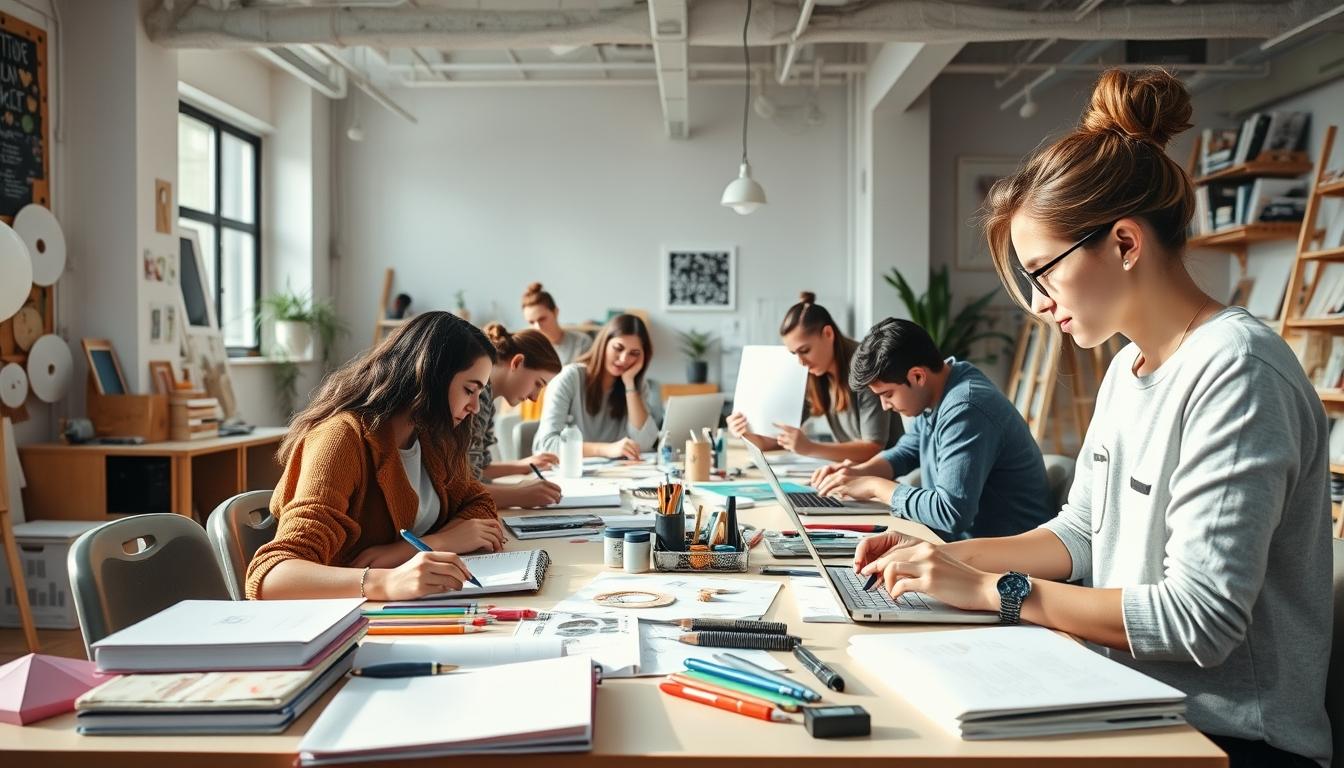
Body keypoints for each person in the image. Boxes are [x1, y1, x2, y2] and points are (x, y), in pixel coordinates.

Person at [853, 69, 1331, 767]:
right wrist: (941, 559)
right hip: (1128, 699)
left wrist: (994, 590)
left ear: (1125, 244)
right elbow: (1081, 535)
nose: (1040, 302)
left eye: (1043, 271)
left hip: (1227, 740)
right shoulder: (1126, 367)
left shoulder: (1237, 370)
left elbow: (1199, 622)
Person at [246, 312, 506, 602]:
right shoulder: (341, 438)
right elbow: (271, 576)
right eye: (469, 390)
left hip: (405, 608)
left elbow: (479, 503)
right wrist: (387, 582)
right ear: (431, 376)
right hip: (346, 620)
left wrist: (420, 547)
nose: (474, 407)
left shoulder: (431, 437)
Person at [809, 318, 1052, 539]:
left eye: (888, 394)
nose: (885, 406)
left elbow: (950, 513)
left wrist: (874, 486)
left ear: (917, 376)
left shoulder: (965, 408)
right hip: (967, 546)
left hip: (1008, 562)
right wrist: (857, 473)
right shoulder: (944, 386)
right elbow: (907, 451)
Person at [727, 292, 900, 463]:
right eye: (794, 353)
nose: (801, 362)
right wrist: (746, 433)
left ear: (828, 334)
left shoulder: (865, 366)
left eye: (805, 351)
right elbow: (775, 441)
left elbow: (873, 447)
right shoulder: (815, 374)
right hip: (853, 473)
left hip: (887, 475)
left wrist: (810, 447)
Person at [534, 313, 658, 459]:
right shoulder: (569, 377)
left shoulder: (635, 386)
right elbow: (546, 446)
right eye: (618, 348)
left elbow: (644, 444)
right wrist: (605, 449)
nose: (624, 359)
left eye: (634, 353)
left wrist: (630, 384)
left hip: (617, 476)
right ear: (604, 344)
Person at [473, 322, 565, 508]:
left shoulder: (488, 402)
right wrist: (518, 494)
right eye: (538, 384)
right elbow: (460, 486)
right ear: (517, 362)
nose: (534, 397)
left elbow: (476, 469)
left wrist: (523, 466)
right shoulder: (475, 399)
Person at [522, 282, 593, 364]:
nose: (537, 327)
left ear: (555, 312)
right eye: (531, 322)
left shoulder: (581, 343)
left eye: (542, 319)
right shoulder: (528, 351)